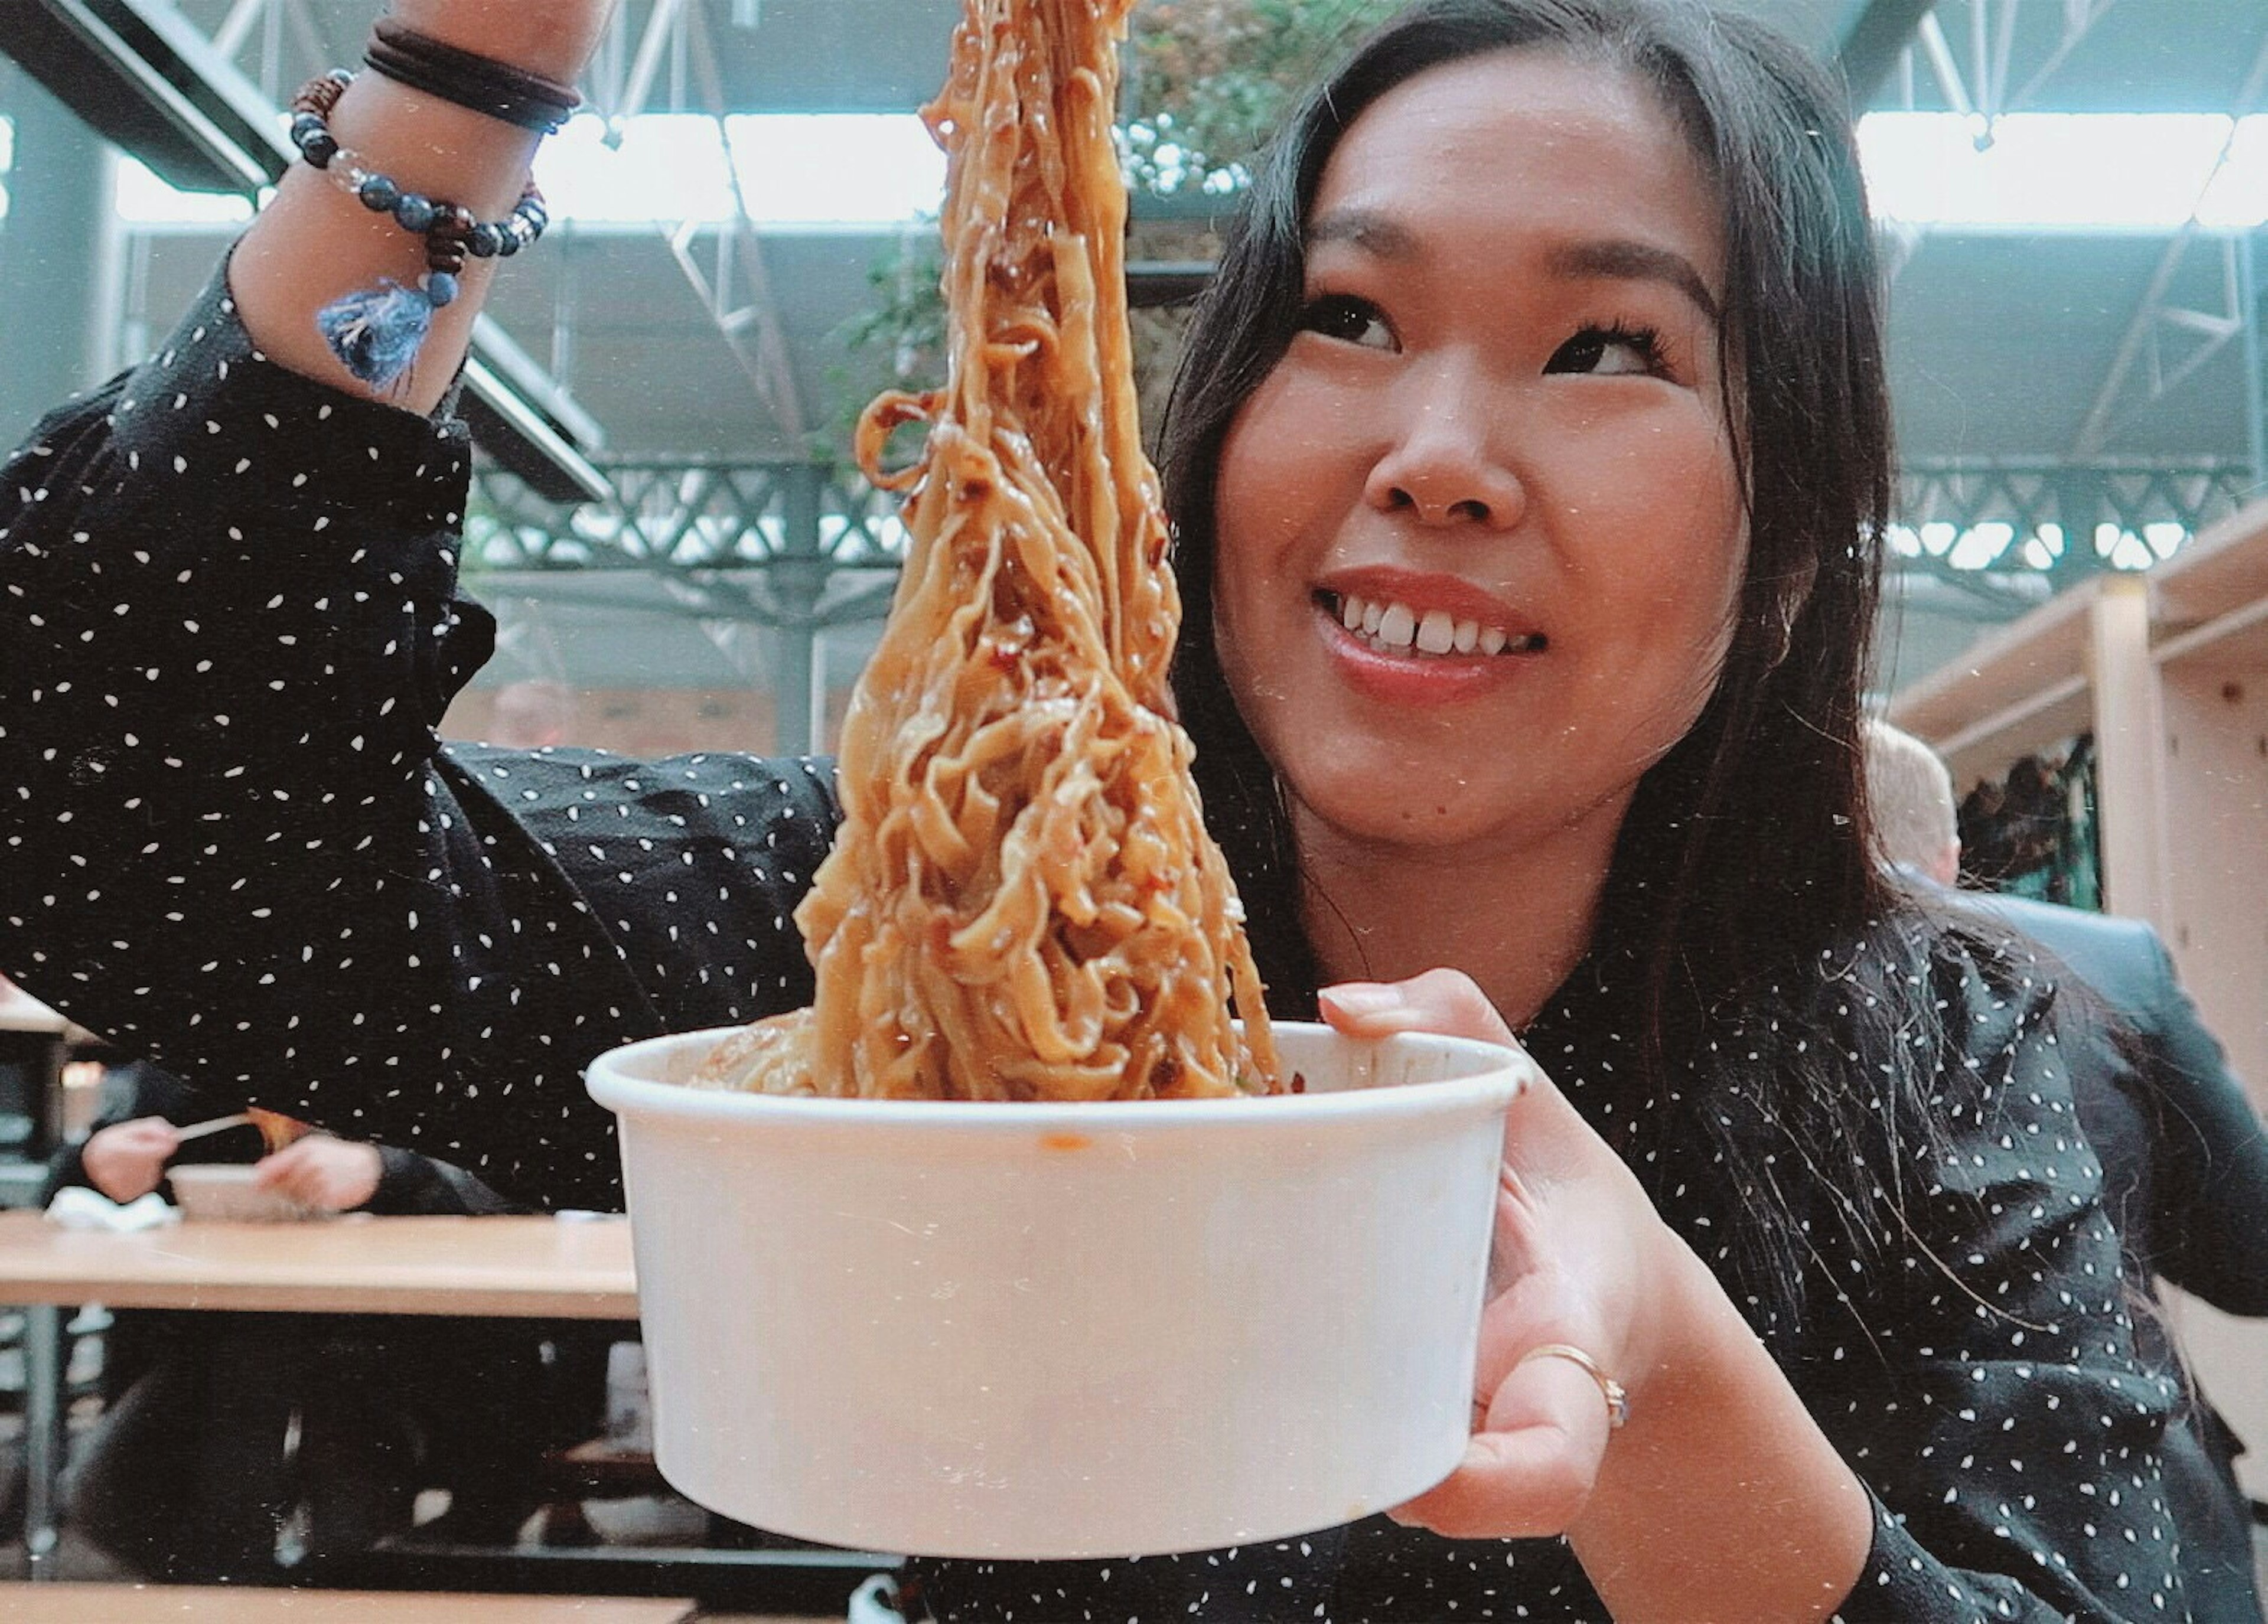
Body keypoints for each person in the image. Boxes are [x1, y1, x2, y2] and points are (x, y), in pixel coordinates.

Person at [0, 0, 2196, 1617]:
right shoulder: (919, 951)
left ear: (1791, 528)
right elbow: (124, 821)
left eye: (1606, 349)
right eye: (1346, 312)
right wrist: (467, 84)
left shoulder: (1939, 1071)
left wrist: (1670, 1399)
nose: (1435, 450)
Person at [1866, 718, 2268, 1620]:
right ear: (1951, 851)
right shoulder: (2111, 962)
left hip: (1837, 1528)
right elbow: (2252, 1255)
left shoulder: (1701, 980)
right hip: (2140, 1521)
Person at [44, 1062, 608, 1577]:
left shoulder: (440, 1051)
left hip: (420, 1350)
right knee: (110, 1499)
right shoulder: (187, 1060)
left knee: (335, 1449)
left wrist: (387, 1171)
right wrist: (93, 1163)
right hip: (218, 1353)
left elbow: (535, 1182)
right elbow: (58, 1188)